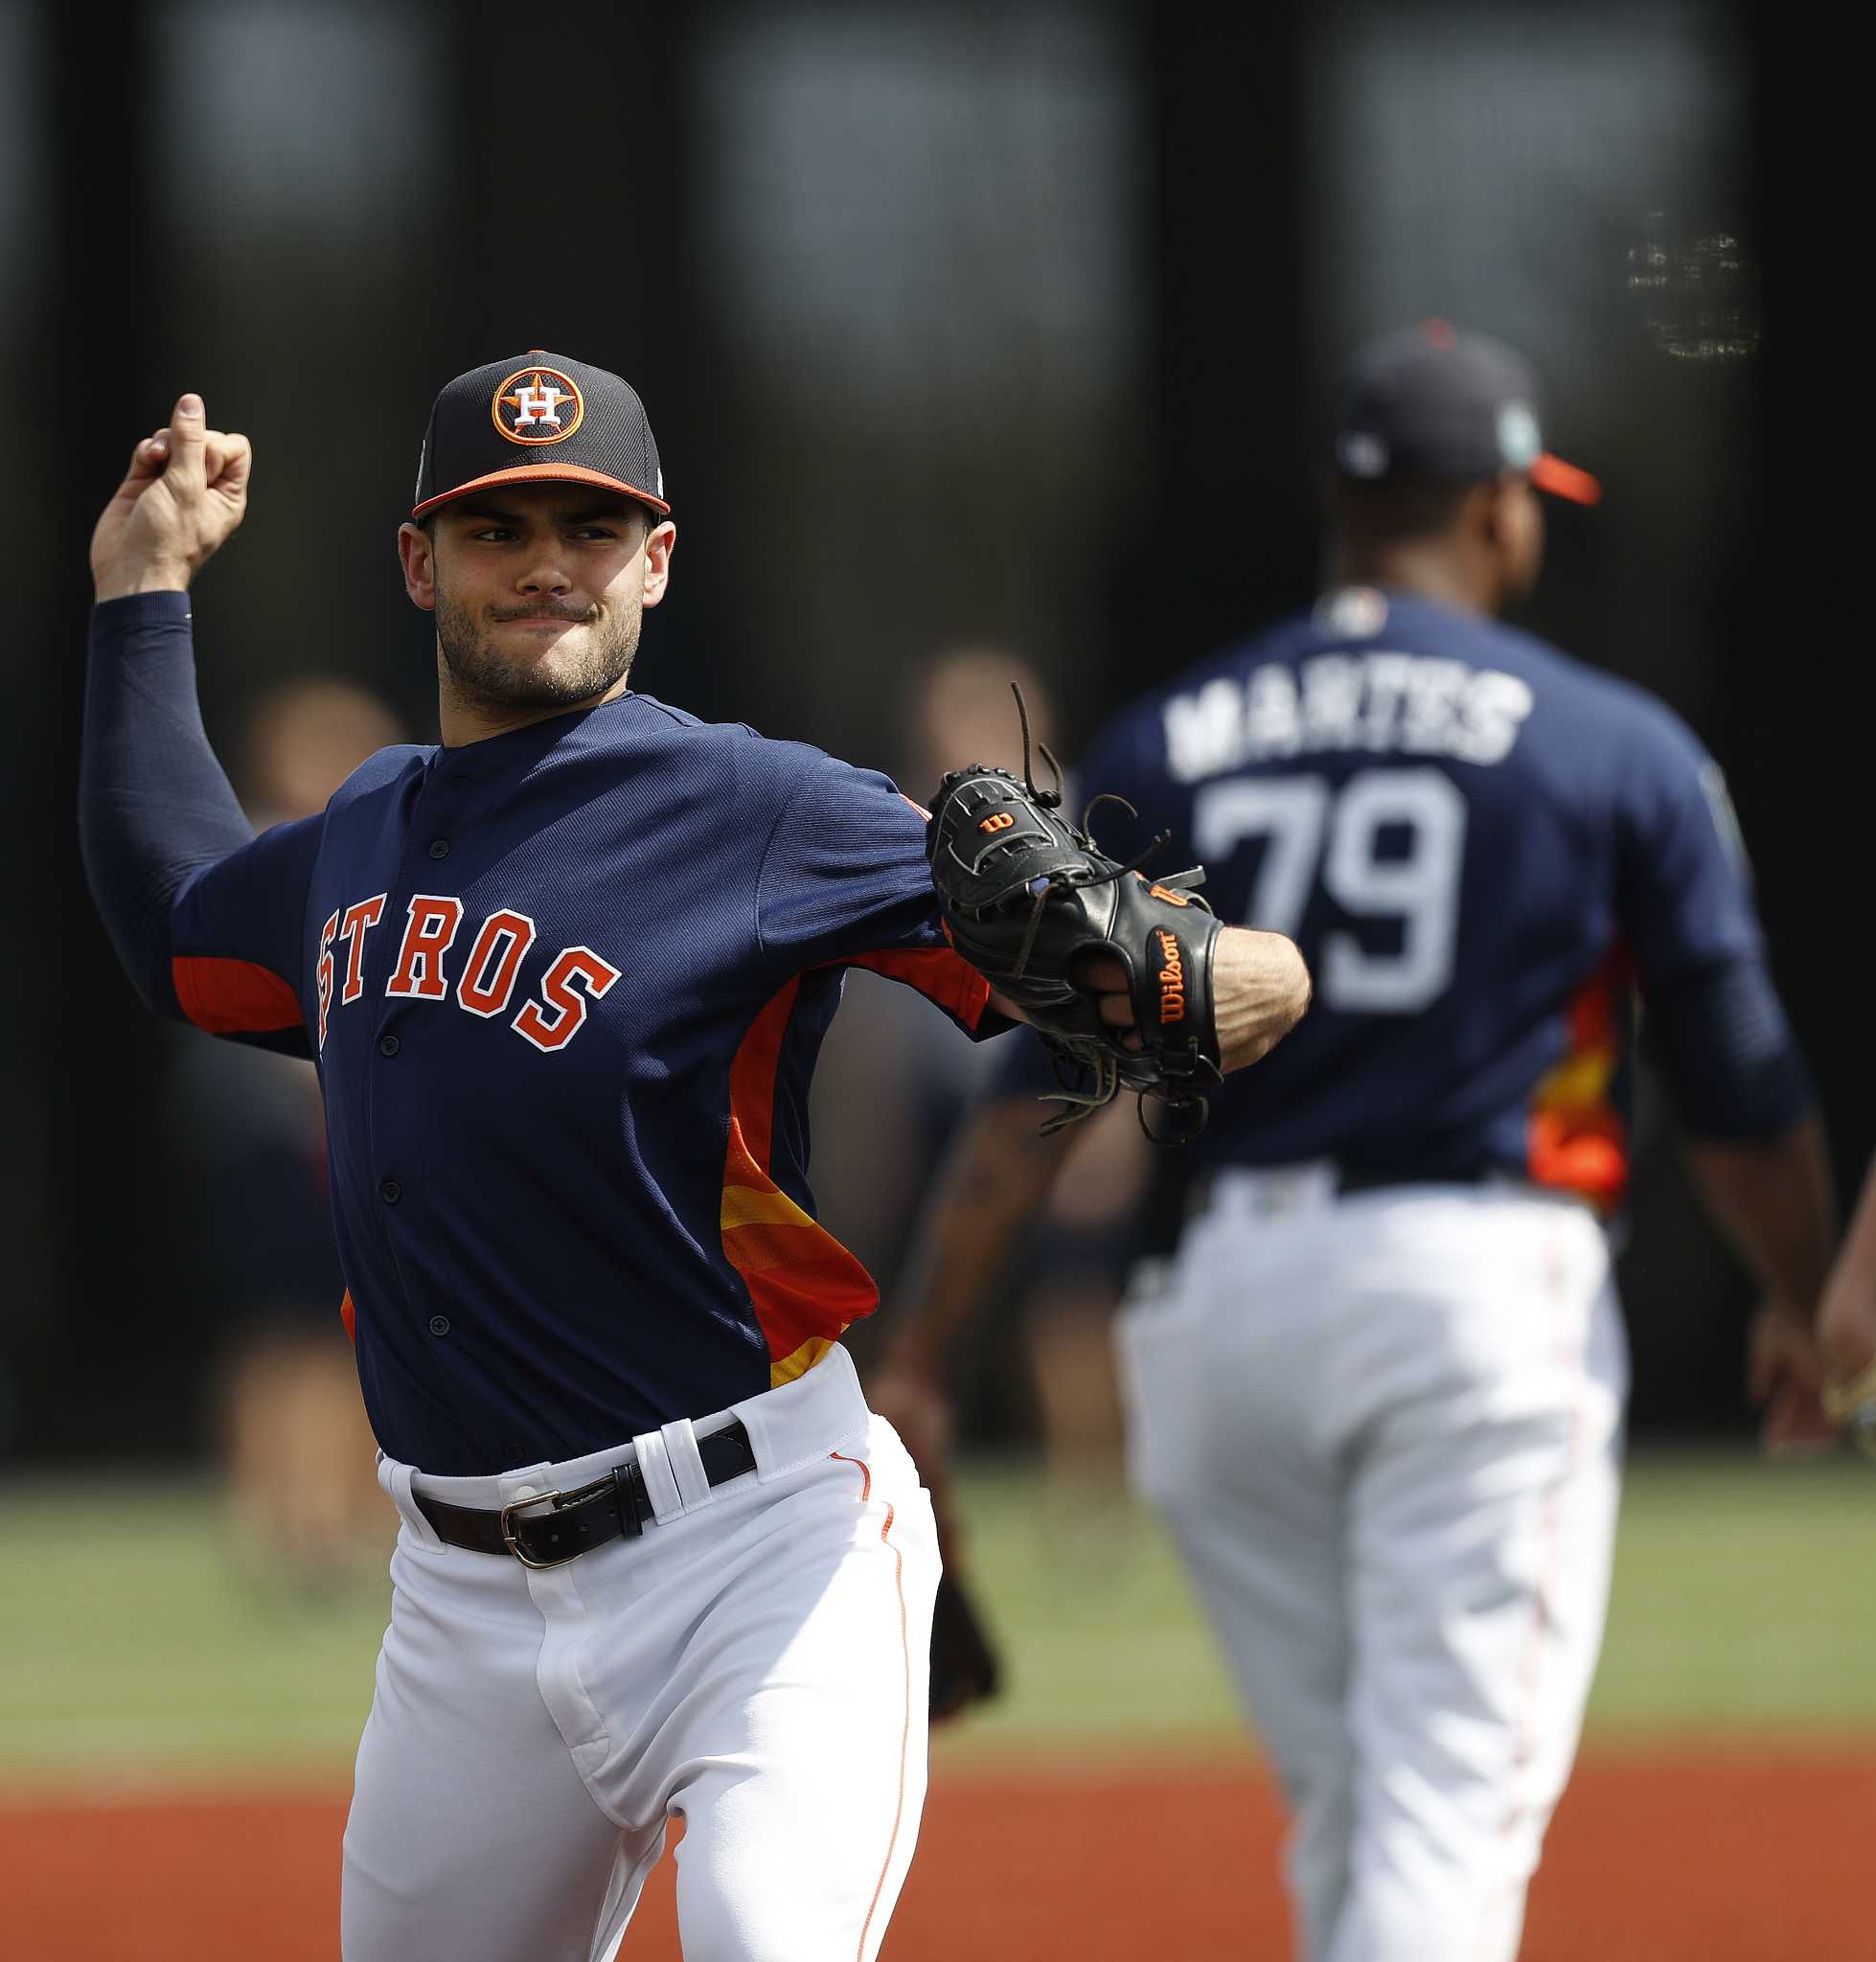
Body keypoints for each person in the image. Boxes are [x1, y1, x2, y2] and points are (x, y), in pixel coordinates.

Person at [79, 354, 1310, 1962]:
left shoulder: (760, 807)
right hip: (460, 1602)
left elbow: (1230, 985)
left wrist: (1187, 970)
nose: (544, 558)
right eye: (494, 523)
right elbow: (180, 928)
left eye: (590, 523)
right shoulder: (367, 828)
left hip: (754, 1545)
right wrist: (140, 587)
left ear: (654, 557)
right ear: (417, 561)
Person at [871, 325, 1836, 1962]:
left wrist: (927, 1357)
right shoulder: (1609, 741)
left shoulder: (1169, 735)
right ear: (1499, 510)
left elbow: (1039, 1087)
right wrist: (1804, 1294)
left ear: (1340, 499)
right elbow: (1732, 1075)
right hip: (1475, 1292)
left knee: (1363, 1817)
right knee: (1440, 1821)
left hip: (1225, 1314)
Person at [173, 680, 404, 1590]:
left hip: (353, 1142)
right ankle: (280, 1517)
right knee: (285, 1335)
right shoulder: (260, 857)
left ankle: (351, 1514)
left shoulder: (380, 856)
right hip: (276, 1141)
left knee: (364, 1332)